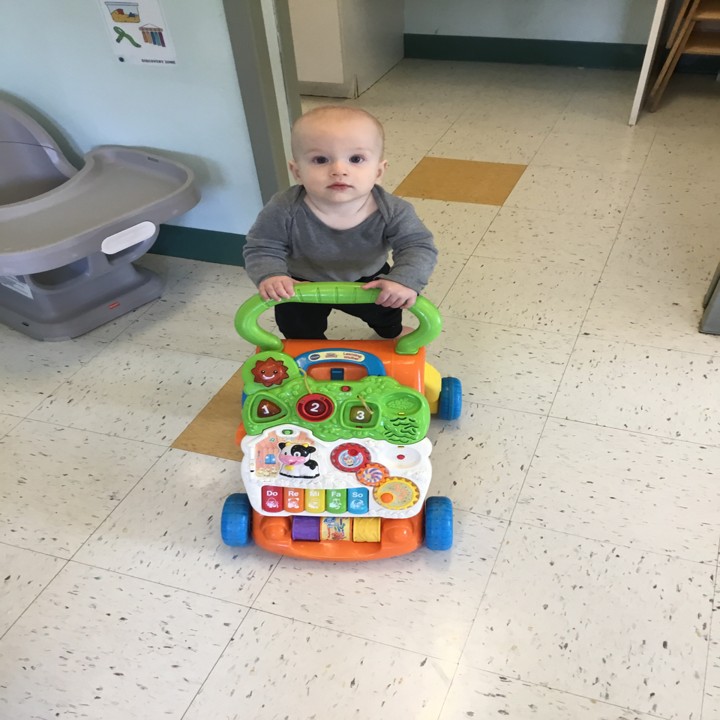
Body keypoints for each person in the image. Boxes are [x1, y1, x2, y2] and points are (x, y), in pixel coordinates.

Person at [242, 105, 437, 340]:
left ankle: (390, 331)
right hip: (300, 284)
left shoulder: (393, 211)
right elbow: (262, 245)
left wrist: (404, 280)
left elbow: (417, 246)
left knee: (387, 311)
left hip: (368, 281)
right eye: (320, 159)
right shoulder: (284, 208)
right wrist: (272, 274)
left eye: (356, 159)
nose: (338, 170)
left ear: (378, 171)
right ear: (297, 171)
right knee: (298, 329)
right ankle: (308, 346)